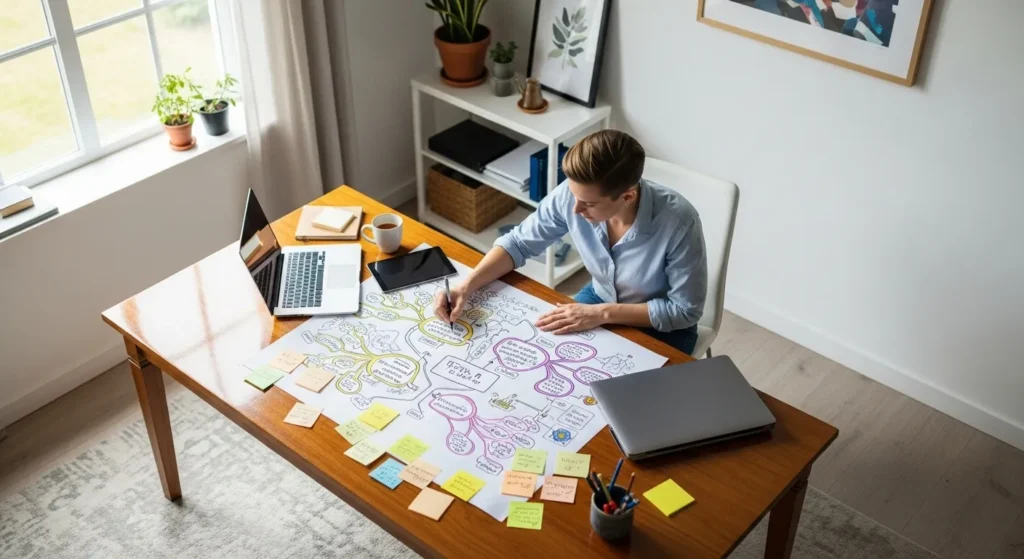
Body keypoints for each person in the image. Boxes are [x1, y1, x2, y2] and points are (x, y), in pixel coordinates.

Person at [433, 130, 707, 355]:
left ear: (627, 197)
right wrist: (465, 286)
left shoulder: (680, 222)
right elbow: (518, 243)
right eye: (573, 195)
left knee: (628, 408)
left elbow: (684, 311)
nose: (574, 210)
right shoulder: (572, 194)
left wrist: (602, 314)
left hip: (662, 327)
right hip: (600, 297)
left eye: (588, 203)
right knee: (541, 356)